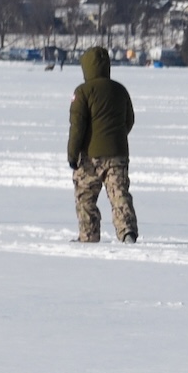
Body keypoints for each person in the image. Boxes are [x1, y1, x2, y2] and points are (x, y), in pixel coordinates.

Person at [67, 45, 140, 241]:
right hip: (118, 154)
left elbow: (77, 126)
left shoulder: (82, 92)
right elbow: (129, 119)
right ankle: (127, 232)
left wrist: (73, 154)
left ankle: (89, 235)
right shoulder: (120, 90)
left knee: (85, 197)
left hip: (90, 156)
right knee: (119, 194)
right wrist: (117, 137)